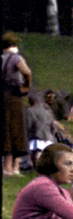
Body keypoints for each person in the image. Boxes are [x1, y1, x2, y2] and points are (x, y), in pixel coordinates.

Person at [3, 36, 34, 177]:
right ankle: (15, 167)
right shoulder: (16, 58)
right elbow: (27, 72)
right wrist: (26, 87)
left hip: (3, 95)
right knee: (17, 130)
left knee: (5, 131)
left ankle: (6, 166)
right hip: (15, 96)